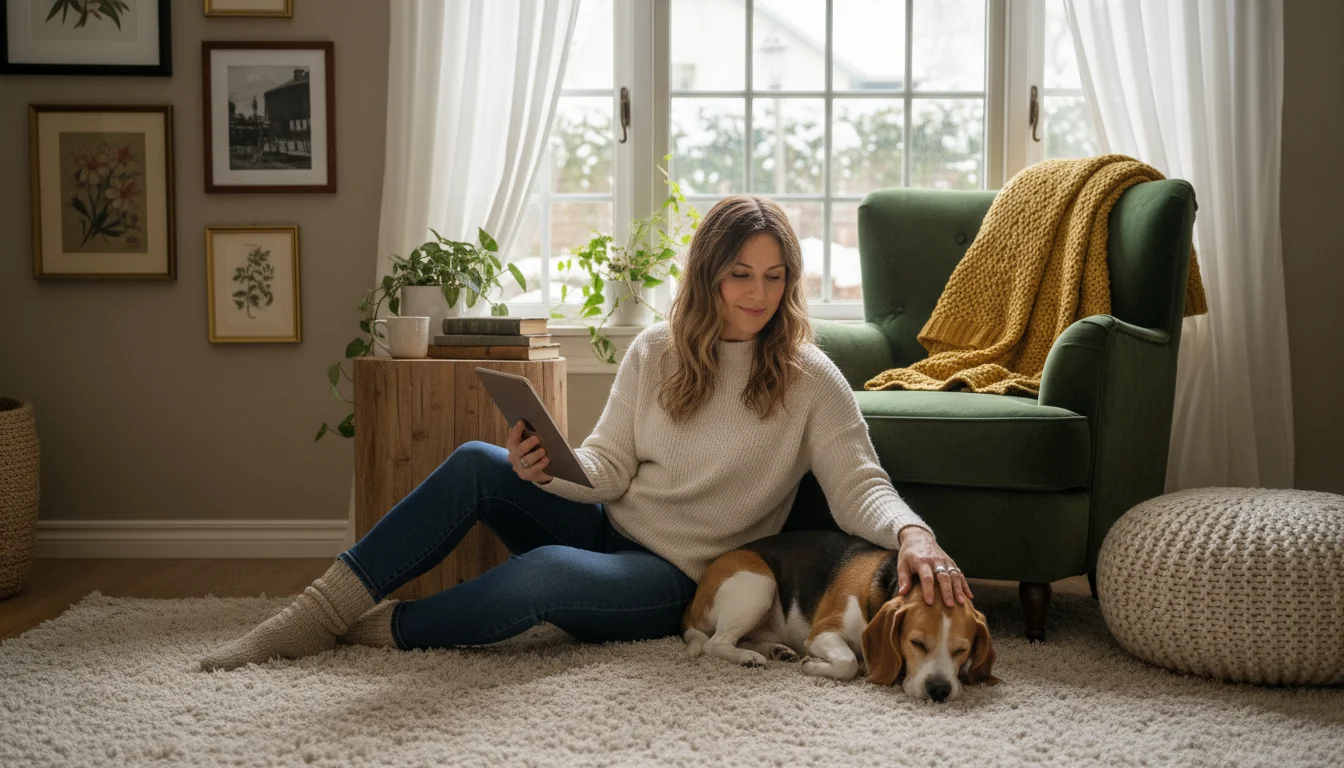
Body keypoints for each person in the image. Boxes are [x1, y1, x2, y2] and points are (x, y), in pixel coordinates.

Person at [198, 195, 972, 672]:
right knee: (477, 461)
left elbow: (857, 483)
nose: (758, 293)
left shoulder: (808, 376)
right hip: (606, 517)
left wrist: (915, 536)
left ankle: (380, 629)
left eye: (774, 277)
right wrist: (542, 467)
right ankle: (318, 614)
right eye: (741, 273)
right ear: (708, 274)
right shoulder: (657, 351)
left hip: (678, 577)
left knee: (546, 578)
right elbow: (604, 466)